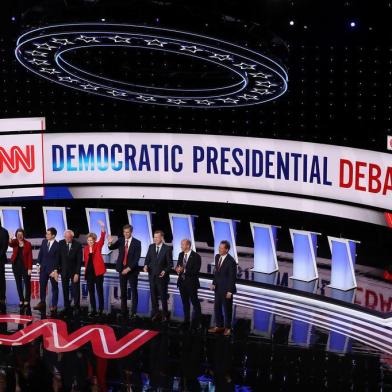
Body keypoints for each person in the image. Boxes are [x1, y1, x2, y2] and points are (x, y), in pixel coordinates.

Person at [108, 224, 141, 319]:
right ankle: (123, 311)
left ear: (131, 232)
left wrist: (128, 269)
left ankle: (133, 312)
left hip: (132, 271)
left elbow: (136, 258)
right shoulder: (121, 240)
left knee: (134, 292)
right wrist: (110, 243)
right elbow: (111, 247)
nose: (126, 234)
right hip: (121, 269)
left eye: (127, 232)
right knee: (123, 291)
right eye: (124, 232)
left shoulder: (137, 242)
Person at [208, 240, 237, 337]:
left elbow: (232, 278)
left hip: (226, 290)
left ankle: (228, 328)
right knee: (217, 307)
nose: (219, 249)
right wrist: (213, 283)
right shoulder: (217, 257)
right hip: (218, 288)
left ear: (227, 250)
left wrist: (230, 291)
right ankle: (219, 326)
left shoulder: (231, 261)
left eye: (221, 248)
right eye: (219, 247)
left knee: (227, 309)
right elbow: (216, 272)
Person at [143, 230, 173, 322]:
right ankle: (155, 312)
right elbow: (147, 259)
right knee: (153, 296)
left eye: (157, 237)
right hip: (152, 275)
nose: (155, 239)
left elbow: (170, 264)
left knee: (163, 296)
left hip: (162, 277)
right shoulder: (151, 247)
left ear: (161, 238)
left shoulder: (167, 249)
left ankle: (165, 314)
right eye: (154, 237)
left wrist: (165, 271)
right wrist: (145, 266)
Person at [175, 239, 202, 330]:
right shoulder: (180, 254)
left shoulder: (196, 256)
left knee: (195, 303)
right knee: (185, 303)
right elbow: (178, 265)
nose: (181, 246)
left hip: (191, 284)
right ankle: (186, 320)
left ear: (188, 246)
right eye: (181, 244)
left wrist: (184, 270)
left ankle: (197, 322)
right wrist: (177, 269)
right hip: (182, 283)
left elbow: (196, 270)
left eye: (182, 244)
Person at [34, 227, 60, 314]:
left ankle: (54, 305)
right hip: (43, 269)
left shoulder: (58, 245)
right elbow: (41, 253)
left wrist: (56, 270)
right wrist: (38, 264)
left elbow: (58, 259)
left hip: (53, 270)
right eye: (46, 233)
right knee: (42, 286)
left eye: (48, 234)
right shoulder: (44, 241)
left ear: (53, 235)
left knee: (54, 288)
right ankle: (42, 302)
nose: (46, 235)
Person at [84, 220, 106, 316]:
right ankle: (93, 309)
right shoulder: (85, 248)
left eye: (91, 240)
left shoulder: (98, 245)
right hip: (89, 273)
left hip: (98, 272)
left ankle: (101, 309)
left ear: (94, 240)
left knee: (99, 290)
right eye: (88, 240)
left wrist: (102, 227)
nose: (90, 242)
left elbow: (102, 238)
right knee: (91, 291)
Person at [58, 229, 83, 315]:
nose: (67, 238)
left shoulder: (78, 245)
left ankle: (76, 306)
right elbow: (58, 258)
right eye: (66, 237)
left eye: (69, 237)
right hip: (64, 271)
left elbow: (79, 261)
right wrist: (57, 270)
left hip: (74, 271)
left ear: (72, 237)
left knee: (75, 289)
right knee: (65, 289)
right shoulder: (60, 243)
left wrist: (77, 273)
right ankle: (66, 306)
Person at [8, 228, 32, 308]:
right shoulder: (15, 242)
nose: (20, 236)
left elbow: (30, 257)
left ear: (23, 235)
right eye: (18, 234)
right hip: (16, 266)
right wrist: (10, 238)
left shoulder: (28, 243)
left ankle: (27, 300)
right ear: (16, 235)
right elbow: (10, 244)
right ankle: (21, 299)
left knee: (27, 284)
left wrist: (30, 268)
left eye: (21, 234)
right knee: (18, 284)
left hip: (25, 267)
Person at [0, 224, 9, 309]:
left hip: (0, 259)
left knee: (1, 279)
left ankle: (2, 298)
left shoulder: (4, 232)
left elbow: (4, 247)